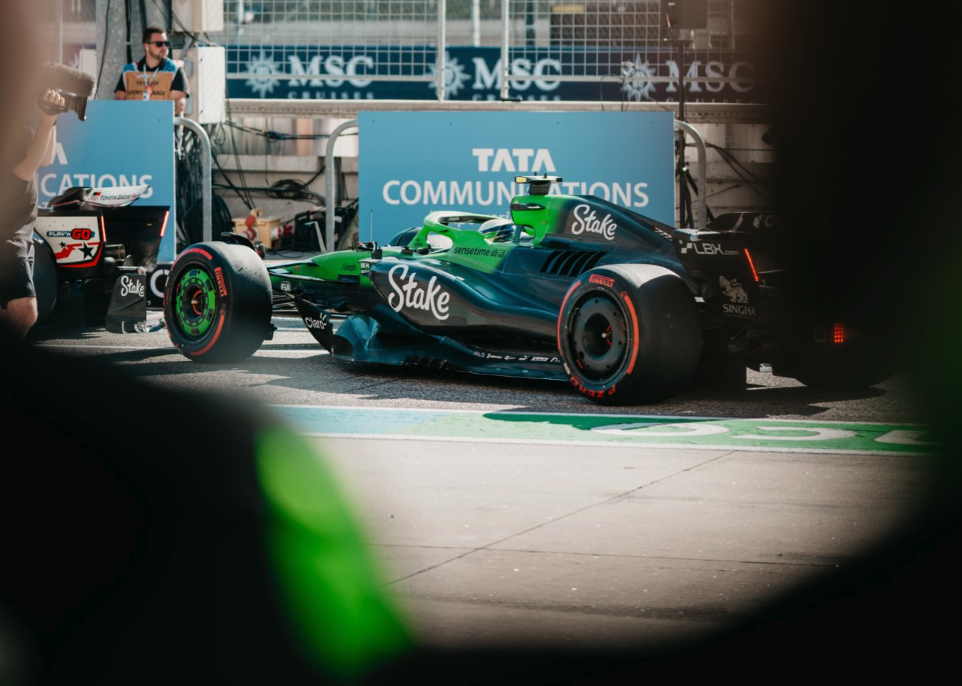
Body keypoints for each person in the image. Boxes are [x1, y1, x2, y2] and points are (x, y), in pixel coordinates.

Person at [0, 88, 63, 340]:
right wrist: (47, 120)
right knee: (25, 313)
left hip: (20, 230)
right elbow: (24, 171)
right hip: (6, 232)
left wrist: (51, 119)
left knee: (16, 313)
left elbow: (44, 159)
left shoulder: (17, 119)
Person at [113, 26, 189, 116]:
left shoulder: (175, 70)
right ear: (146, 46)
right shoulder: (129, 70)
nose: (164, 47)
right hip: (133, 122)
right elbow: (118, 103)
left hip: (162, 122)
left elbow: (179, 105)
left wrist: (152, 117)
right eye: (159, 44)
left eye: (167, 43)